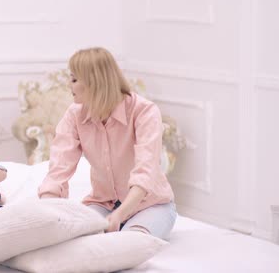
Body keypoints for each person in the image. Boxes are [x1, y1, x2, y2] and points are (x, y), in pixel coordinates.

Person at [38, 47, 177, 240]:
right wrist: (47, 211)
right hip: (103, 203)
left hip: (150, 204)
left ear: (94, 82)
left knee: (128, 243)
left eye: (74, 79)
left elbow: (145, 173)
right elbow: (58, 169)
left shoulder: (144, 111)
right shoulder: (74, 115)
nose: (69, 85)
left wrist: (119, 216)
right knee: (75, 239)